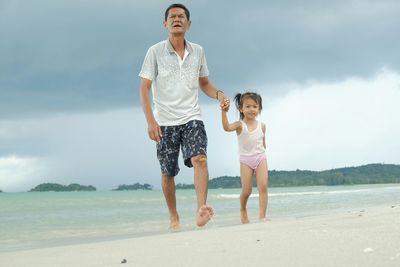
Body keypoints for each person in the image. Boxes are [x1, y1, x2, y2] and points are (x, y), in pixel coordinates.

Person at [139, 3, 229, 229]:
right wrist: (151, 121)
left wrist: (218, 95)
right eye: (172, 17)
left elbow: (204, 83)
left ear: (188, 24)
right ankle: (173, 216)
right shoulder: (155, 51)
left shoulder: (198, 51)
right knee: (168, 172)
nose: (176, 19)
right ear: (165, 24)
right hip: (165, 122)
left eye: (181, 16)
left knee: (200, 159)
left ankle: (201, 209)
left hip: (192, 116)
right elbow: (144, 88)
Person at [221, 92, 268, 223]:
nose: (252, 109)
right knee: (247, 191)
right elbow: (226, 127)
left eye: (255, 106)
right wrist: (224, 112)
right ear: (241, 109)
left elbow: (263, 143)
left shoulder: (262, 126)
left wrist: (261, 156)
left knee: (263, 186)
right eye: (248, 106)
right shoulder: (239, 125)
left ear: (259, 109)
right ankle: (243, 209)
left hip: (260, 157)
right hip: (245, 160)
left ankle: (262, 216)